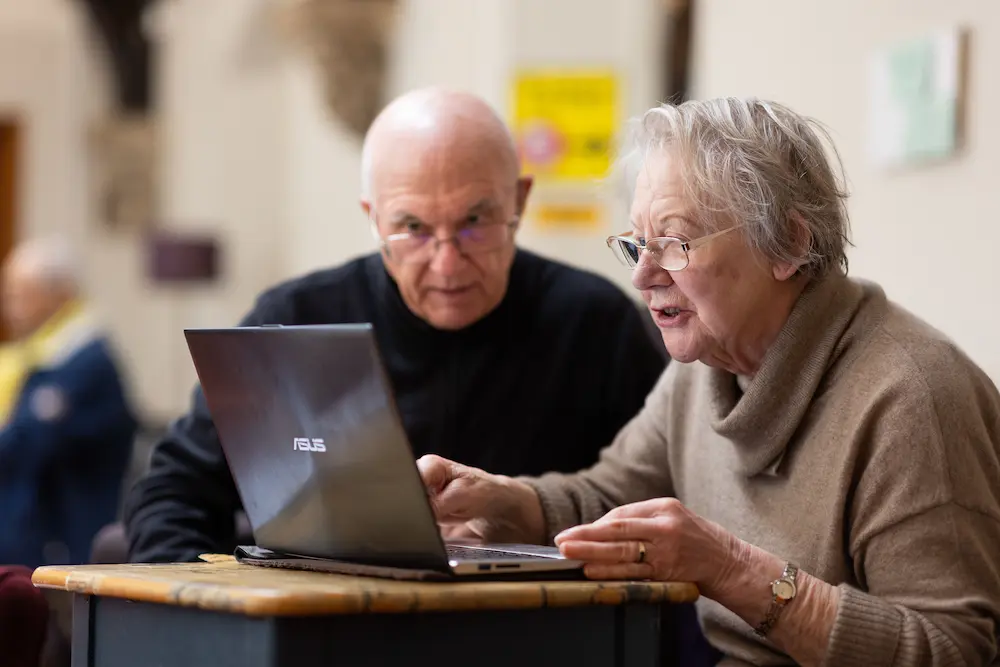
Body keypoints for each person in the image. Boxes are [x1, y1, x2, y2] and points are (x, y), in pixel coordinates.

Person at [416, 97, 1000, 666]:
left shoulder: (911, 397)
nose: (644, 275)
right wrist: (503, 502)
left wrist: (730, 569)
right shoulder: (704, 367)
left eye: (673, 243)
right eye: (638, 244)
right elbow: (613, 498)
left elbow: (952, 648)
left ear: (789, 245)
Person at [121, 87, 668, 564]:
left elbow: (658, 498)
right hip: (331, 632)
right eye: (413, 228)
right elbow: (172, 492)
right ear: (373, 219)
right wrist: (214, 613)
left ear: (519, 202)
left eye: (474, 222)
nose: (447, 263)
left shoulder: (597, 323)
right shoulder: (294, 319)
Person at [0, 237, 137, 568]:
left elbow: (25, 443)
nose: (10, 307)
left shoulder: (84, 361)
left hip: (62, 546)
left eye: (21, 295)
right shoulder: (29, 356)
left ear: (60, 295)